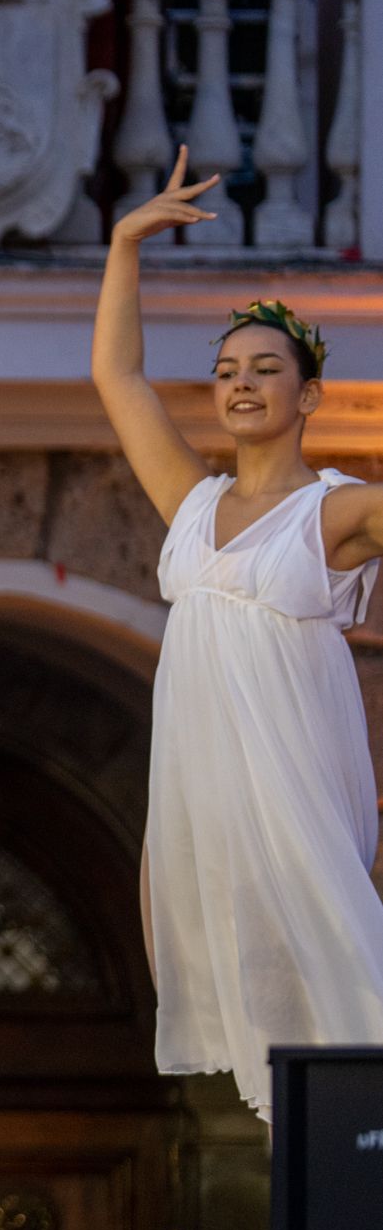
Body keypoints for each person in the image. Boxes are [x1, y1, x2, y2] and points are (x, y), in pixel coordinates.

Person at [90, 148, 383, 1120]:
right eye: (224, 372)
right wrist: (127, 243)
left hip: (291, 785)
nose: (240, 384)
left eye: (266, 369)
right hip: (207, 802)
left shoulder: (337, 512)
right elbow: (118, 374)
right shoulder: (191, 504)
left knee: (348, 995)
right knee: (266, 1043)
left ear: (308, 397)